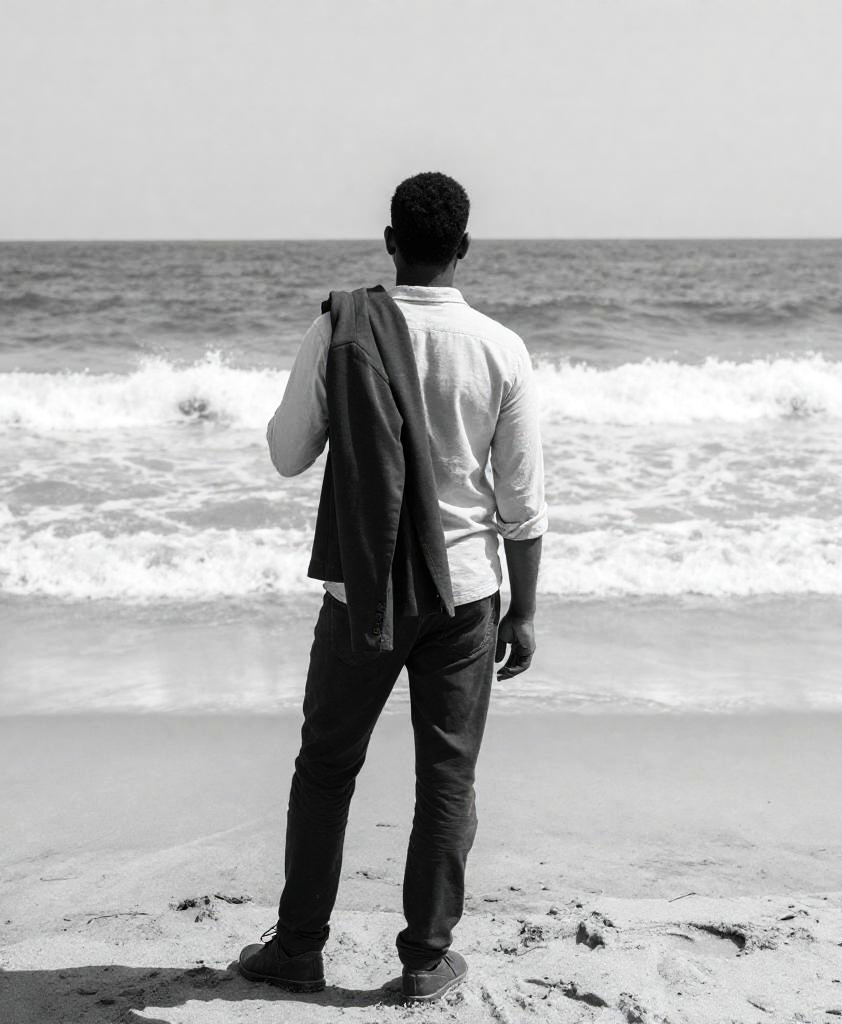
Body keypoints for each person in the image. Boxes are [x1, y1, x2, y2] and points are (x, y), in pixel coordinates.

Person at [239, 171, 547, 1004]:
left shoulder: (341, 329)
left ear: (389, 242)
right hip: (465, 595)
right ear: (464, 246)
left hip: (362, 592)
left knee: (326, 769)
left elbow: (287, 454)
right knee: (447, 778)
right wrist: (523, 612)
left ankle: (298, 949)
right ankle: (423, 960)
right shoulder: (500, 348)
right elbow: (521, 505)